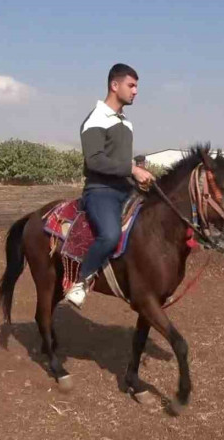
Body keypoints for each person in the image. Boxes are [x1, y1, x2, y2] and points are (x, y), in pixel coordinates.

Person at [63, 63, 154, 308]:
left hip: (125, 190)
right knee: (111, 235)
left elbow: (119, 160)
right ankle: (82, 282)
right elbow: (94, 161)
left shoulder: (126, 122)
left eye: (136, 86)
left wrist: (139, 177)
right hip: (101, 191)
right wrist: (132, 169)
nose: (135, 91)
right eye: (131, 85)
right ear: (115, 86)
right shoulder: (96, 118)